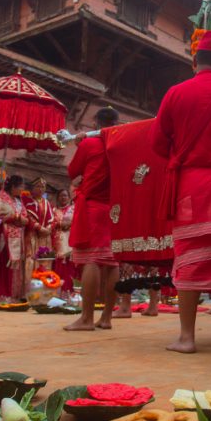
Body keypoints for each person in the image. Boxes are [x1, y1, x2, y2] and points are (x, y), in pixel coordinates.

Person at [150, 30, 211, 354]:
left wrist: (181, 154)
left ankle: (187, 337)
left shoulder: (176, 94)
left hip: (190, 184)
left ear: (195, 61)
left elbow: (157, 143)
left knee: (189, 258)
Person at [65, 107, 120, 331]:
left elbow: (72, 171)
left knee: (91, 259)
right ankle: (106, 318)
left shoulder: (90, 143)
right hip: (114, 209)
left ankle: (87, 318)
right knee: (112, 262)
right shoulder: (121, 145)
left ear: (96, 123)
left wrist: (80, 145)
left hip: (93, 207)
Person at [0, 175, 28, 303]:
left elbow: (25, 217)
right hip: (6, 235)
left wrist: (19, 219)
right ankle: (3, 294)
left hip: (18, 235)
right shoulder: (1, 198)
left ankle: (14, 294)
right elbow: (1, 213)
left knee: (16, 265)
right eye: (20, 187)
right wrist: (17, 218)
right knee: (5, 264)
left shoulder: (18, 200)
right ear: (13, 187)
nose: (22, 189)